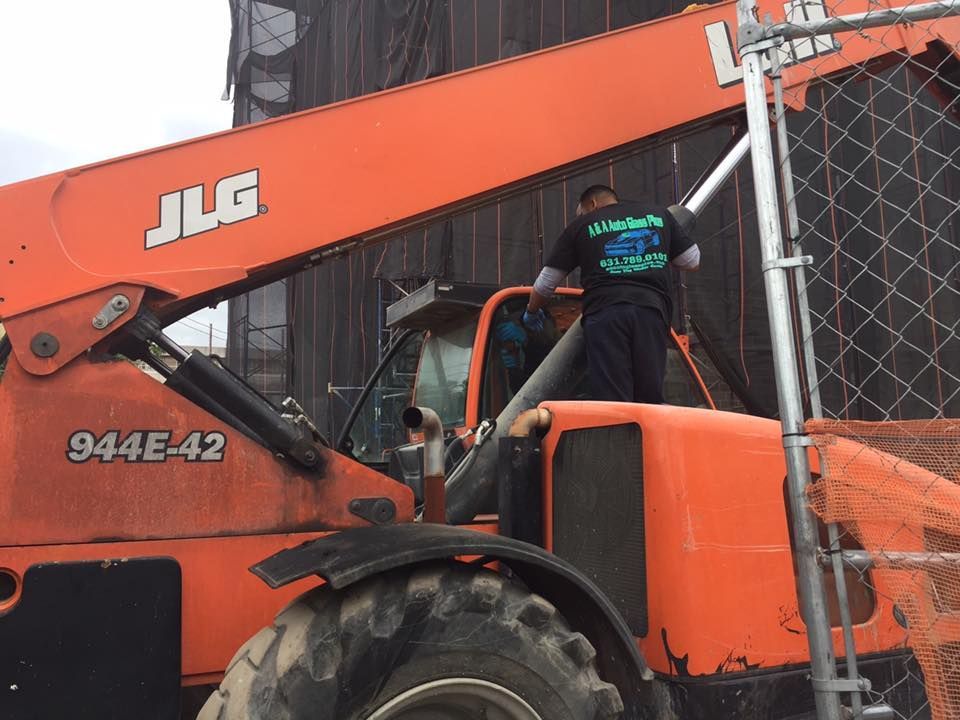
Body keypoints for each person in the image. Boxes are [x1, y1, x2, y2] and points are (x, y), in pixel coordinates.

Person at [523, 184, 700, 403]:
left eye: (581, 212)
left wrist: (531, 311)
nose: (581, 216)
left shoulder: (581, 226)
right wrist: (659, 252)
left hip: (606, 314)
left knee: (613, 398)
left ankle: (618, 433)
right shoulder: (658, 216)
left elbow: (545, 285)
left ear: (592, 204)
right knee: (649, 394)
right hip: (650, 311)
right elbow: (692, 260)